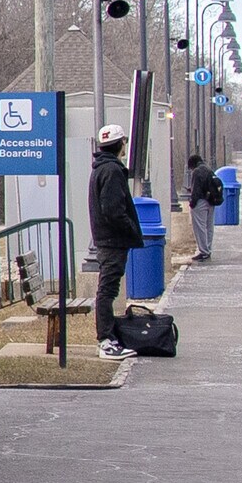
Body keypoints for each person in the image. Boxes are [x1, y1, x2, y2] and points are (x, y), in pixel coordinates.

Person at [89, 125, 143, 358]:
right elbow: (112, 209)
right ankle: (106, 340)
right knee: (107, 291)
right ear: (121, 144)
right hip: (112, 240)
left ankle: (108, 337)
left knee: (108, 289)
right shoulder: (112, 170)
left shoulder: (100, 168)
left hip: (106, 239)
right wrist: (129, 228)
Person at [187, 154, 219, 261]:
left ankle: (203, 251)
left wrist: (192, 203)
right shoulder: (208, 169)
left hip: (200, 202)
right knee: (209, 227)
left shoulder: (196, 171)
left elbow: (196, 190)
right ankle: (208, 249)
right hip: (211, 201)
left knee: (200, 227)